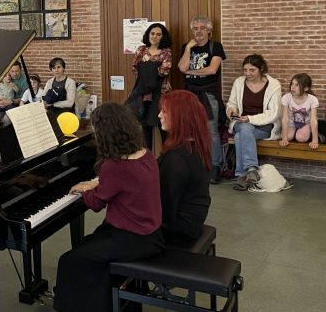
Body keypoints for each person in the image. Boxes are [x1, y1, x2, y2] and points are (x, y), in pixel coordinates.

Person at [53, 102, 163, 312]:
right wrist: (95, 183)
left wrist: (85, 190)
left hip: (131, 238)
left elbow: (95, 203)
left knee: (69, 260)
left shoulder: (115, 166)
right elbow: (122, 185)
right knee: (86, 245)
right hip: (152, 234)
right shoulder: (145, 153)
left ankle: (72, 307)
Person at [157, 90, 212, 243]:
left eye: (164, 111)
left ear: (180, 116)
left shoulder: (177, 158)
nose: (159, 115)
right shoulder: (194, 144)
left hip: (179, 227)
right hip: (193, 218)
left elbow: (165, 206)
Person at [177, 16, 227, 184]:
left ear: (209, 30)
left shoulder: (216, 46)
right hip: (189, 94)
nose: (198, 31)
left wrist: (192, 73)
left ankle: (215, 167)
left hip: (208, 94)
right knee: (189, 130)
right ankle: (192, 166)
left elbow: (212, 70)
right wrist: (188, 49)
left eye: (202, 28)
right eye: (195, 29)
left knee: (211, 130)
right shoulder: (187, 47)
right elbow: (182, 68)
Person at [226, 54, 282, 191]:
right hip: (241, 122)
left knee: (241, 135)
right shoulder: (239, 82)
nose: (247, 73)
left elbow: (274, 113)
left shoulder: (274, 85)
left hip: (264, 126)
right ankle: (251, 168)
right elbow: (231, 103)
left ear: (261, 69)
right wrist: (232, 111)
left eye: (252, 70)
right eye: (245, 70)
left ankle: (241, 175)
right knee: (244, 128)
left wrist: (250, 119)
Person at [127, 23, 173, 150]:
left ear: (162, 37)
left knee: (164, 127)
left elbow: (163, 71)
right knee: (144, 128)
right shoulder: (141, 50)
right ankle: (147, 163)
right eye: (152, 33)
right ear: (148, 34)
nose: (154, 36)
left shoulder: (166, 52)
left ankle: (166, 161)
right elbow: (134, 69)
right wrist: (153, 67)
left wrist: (145, 67)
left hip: (162, 94)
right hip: (143, 94)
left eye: (158, 34)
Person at [279, 73, 319, 149]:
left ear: (306, 88)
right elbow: (284, 118)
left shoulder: (312, 99)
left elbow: (313, 120)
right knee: (288, 136)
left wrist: (315, 140)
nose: (293, 87)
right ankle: (293, 131)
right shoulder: (286, 97)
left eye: (297, 85)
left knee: (301, 138)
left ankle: (308, 131)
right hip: (291, 123)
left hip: (305, 123)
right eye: (292, 84)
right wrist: (284, 138)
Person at [43, 58, 76, 137]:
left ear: (63, 68)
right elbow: (43, 98)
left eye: (59, 67)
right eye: (54, 68)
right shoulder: (50, 82)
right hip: (52, 111)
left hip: (66, 112)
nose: (56, 70)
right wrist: (43, 103)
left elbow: (70, 103)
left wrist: (52, 104)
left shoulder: (70, 82)